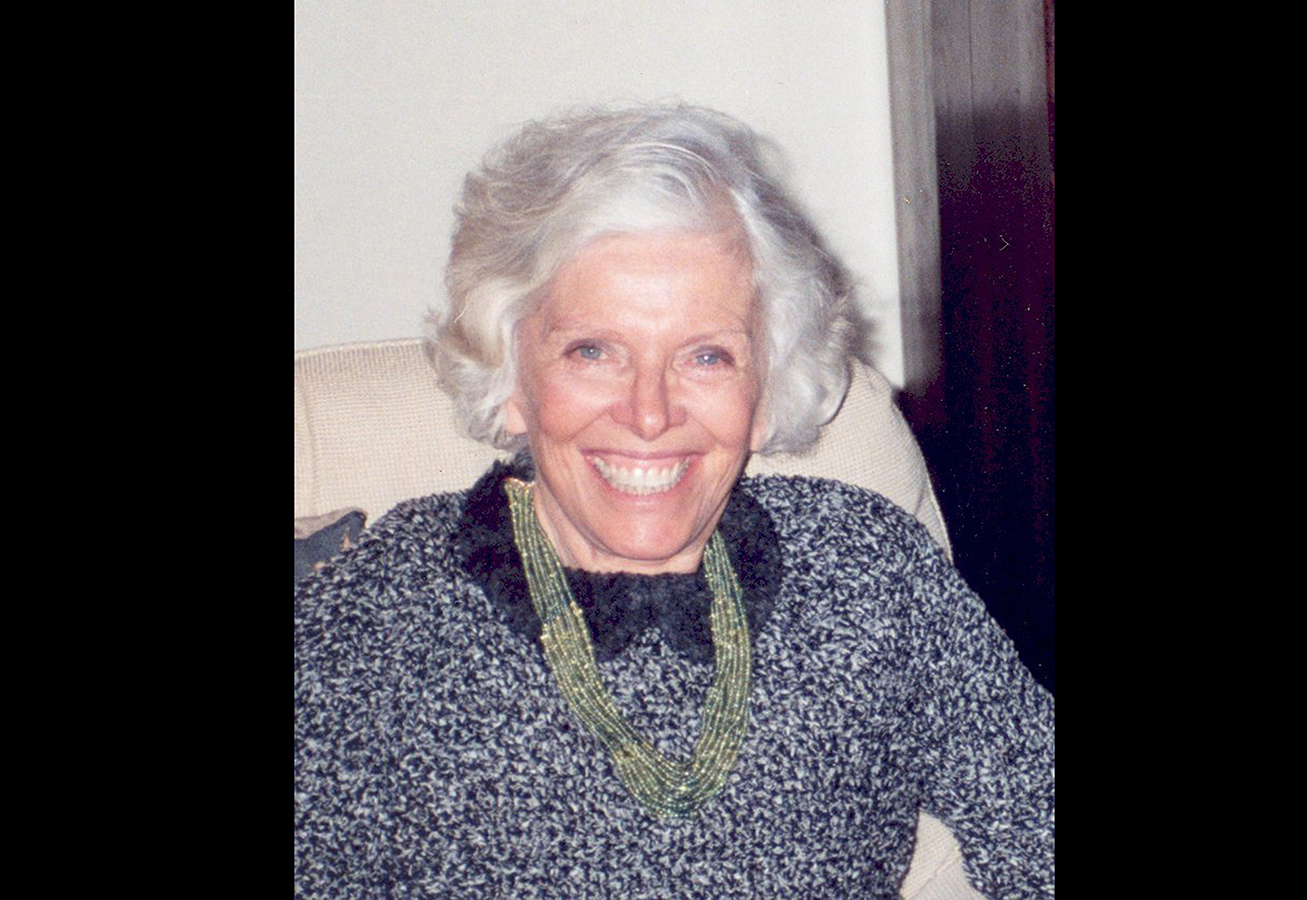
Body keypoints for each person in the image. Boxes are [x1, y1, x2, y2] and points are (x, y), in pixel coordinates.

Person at [294, 104, 1054, 899]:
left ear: (767, 389)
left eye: (706, 356)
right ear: (511, 377)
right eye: (594, 351)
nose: (650, 414)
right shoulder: (376, 615)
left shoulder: (868, 573)